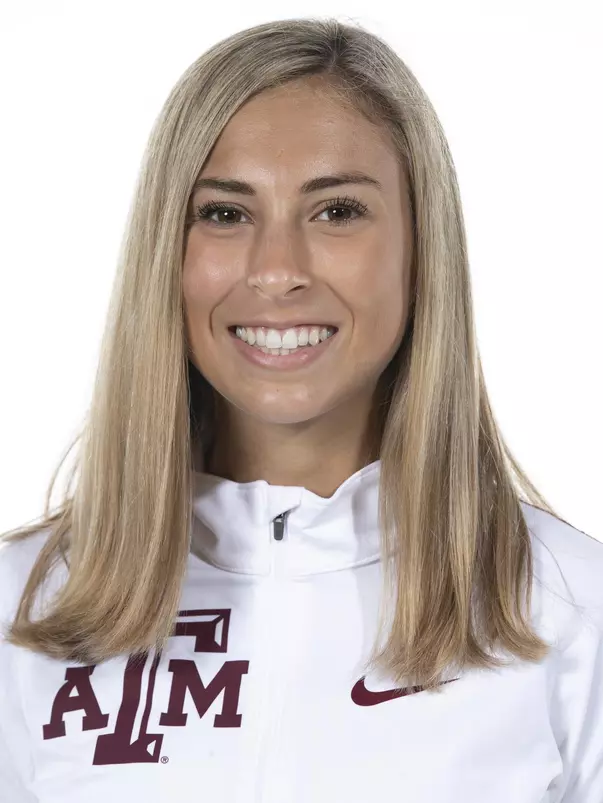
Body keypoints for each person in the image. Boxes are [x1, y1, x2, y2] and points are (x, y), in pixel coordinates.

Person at [0, 16, 601, 803]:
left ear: (422, 249)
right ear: (166, 254)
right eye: (224, 213)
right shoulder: (24, 611)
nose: (276, 270)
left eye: (336, 211)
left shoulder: (567, 610)